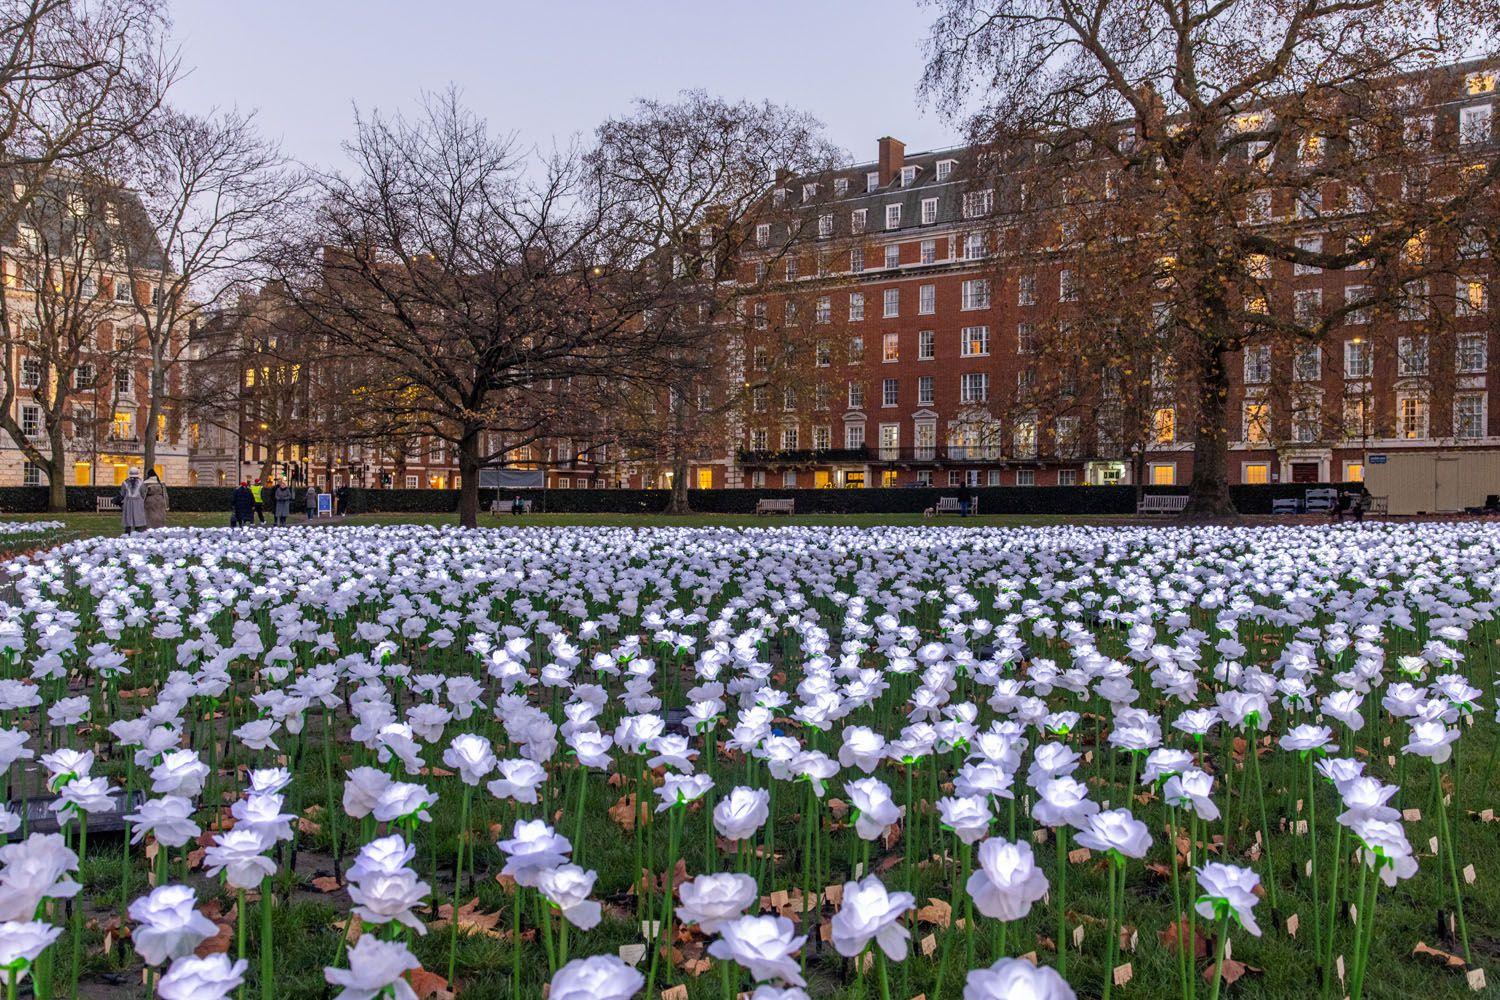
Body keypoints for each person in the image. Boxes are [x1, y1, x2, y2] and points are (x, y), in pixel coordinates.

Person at [117, 467, 147, 534]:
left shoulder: (125, 482)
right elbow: (143, 494)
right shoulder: (141, 483)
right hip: (138, 503)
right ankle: (138, 533)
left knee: (128, 520)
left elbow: (122, 493)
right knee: (138, 520)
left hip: (128, 503)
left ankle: (128, 534)